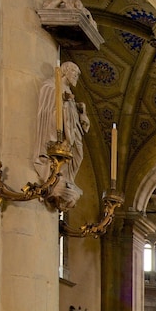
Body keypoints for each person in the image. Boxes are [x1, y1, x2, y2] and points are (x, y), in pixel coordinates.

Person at [34, 61, 89, 211]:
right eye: (75, 73)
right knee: (66, 154)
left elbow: (79, 121)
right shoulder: (51, 86)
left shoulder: (69, 92)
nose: (77, 77)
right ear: (66, 71)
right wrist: (64, 103)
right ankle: (57, 176)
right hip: (58, 134)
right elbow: (49, 111)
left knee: (78, 155)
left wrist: (81, 112)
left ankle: (67, 177)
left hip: (73, 132)